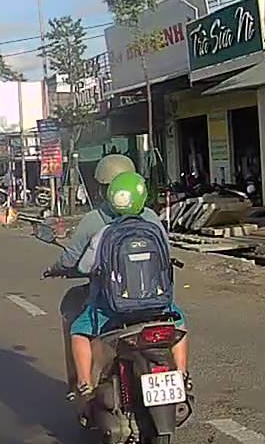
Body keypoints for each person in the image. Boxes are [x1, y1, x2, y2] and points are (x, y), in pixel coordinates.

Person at [51, 157, 190, 404]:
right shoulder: (152, 219)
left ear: (106, 189)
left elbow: (80, 264)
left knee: (79, 330)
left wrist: (58, 269)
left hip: (112, 305)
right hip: (156, 304)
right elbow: (165, 256)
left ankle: (84, 384)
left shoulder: (97, 222)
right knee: (178, 324)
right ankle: (182, 375)